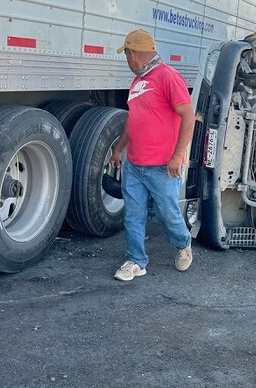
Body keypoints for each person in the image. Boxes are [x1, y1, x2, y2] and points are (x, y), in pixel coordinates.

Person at [109, 29, 196, 281]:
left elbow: (188, 117)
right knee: (133, 216)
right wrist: (118, 148)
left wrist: (177, 156)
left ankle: (183, 244)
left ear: (133, 53)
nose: (126, 60)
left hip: (162, 166)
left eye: (126, 54)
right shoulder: (138, 82)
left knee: (167, 215)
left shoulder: (168, 76)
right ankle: (136, 260)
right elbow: (133, 119)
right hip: (134, 165)